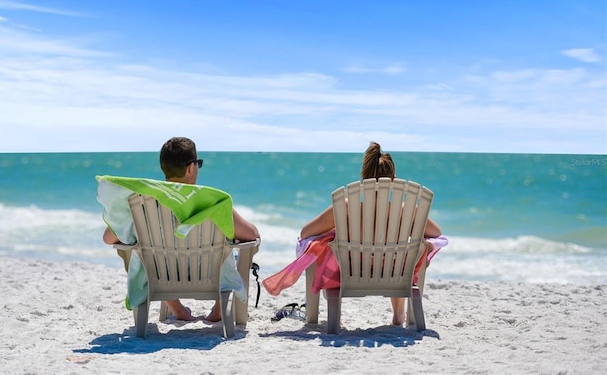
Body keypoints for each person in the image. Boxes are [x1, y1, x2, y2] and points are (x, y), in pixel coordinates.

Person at [103, 136, 261, 322]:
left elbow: (108, 238)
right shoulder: (212, 201)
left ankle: (177, 309)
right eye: (198, 164)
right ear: (190, 168)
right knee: (231, 253)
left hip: (161, 275)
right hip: (208, 274)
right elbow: (252, 236)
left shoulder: (141, 202)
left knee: (143, 257)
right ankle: (219, 309)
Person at [298, 141, 443, 326]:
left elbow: (305, 233)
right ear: (394, 180)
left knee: (326, 246)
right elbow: (437, 234)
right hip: (394, 273)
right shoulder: (406, 211)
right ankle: (399, 316)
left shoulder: (346, 208)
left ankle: (336, 316)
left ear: (363, 178)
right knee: (401, 254)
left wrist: (337, 231)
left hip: (353, 271)